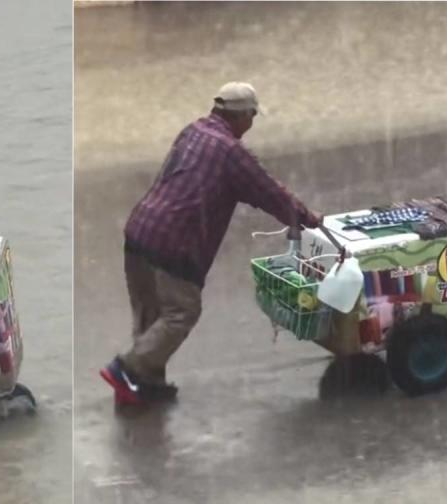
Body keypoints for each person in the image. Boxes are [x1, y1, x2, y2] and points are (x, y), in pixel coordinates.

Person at [100, 82, 321, 405]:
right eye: (252, 117)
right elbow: (270, 192)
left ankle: (143, 385)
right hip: (174, 241)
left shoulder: (193, 131)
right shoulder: (231, 153)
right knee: (181, 312)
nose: (252, 124)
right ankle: (127, 369)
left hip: (140, 229)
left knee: (151, 314)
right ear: (241, 115)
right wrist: (306, 217)